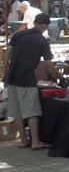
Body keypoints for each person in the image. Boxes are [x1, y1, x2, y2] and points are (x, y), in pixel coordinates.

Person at [2, 13, 60, 150]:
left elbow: (7, 53)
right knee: (31, 111)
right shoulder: (42, 41)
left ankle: (22, 139)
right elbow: (48, 64)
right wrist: (58, 76)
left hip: (11, 77)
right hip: (27, 78)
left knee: (17, 111)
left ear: (34, 22)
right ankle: (35, 141)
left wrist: (4, 72)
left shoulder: (18, 35)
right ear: (45, 26)